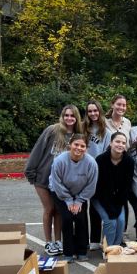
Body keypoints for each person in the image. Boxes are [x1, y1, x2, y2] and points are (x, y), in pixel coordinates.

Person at [25, 104, 82, 256]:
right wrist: (30, 171)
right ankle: (49, 242)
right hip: (43, 178)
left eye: (72, 116)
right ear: (62, 117)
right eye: (66, 115)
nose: (69, 118)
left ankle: (58, 241)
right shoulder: (53, 130)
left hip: (61, 182)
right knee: (49, 209)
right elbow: (38, 149)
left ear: (77, 118)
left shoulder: (77, 135)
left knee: (58, 211)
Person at [48, 134, 98, 262]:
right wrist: (69, 200)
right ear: (70, 144)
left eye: (82, 146)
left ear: (86, 148)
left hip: (81, 193)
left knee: (81, 218)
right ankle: (68, 253)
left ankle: (81, 251)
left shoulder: (91, 163)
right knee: (67, 218)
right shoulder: (59, 160)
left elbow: (91, 185)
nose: (79, 148)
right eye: (76, 144)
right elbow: (56, 183)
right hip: (61, 193)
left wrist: (80, 200)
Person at [93, 132, 135, 247]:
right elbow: (99, 187)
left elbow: (126, 187)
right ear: (111, 143)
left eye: (123, 143)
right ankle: (108, 249)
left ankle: (116, 247)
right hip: (100, 197)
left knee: (121, 222)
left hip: (118, 199)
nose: (120, 145)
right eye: (117, 141)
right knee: (111, 221)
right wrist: (110, 209)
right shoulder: (100, 160)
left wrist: (117, 205)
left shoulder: (129, 161)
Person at [83, 100, 112, 251]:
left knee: (103, 204)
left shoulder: (106, 131)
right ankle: (94, 239)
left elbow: (108, 152)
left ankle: (106, 238)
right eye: (90, 111)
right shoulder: (83, 128)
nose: (93, 114)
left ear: (100, 112)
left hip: (101, 171)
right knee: (92, 205)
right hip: (86, 170)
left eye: (95, 111)